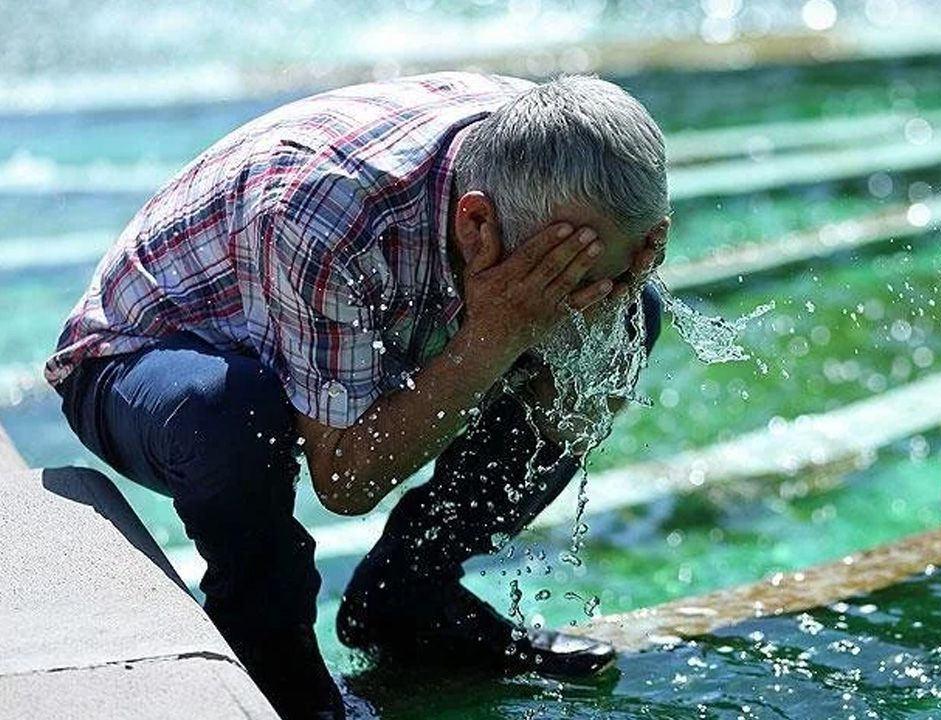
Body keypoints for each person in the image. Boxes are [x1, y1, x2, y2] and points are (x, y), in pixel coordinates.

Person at [46, 72, 670, 720]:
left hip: (360, 305)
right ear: (478, 223)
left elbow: (583, 376)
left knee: (628, 322)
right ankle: (274, 668)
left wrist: (613, 299)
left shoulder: (578, 158)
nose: (597, 291)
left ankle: (409, 599)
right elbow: (345, 480)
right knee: (230, 410)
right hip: (139, 362)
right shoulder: (323, 209)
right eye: (571, 278)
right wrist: (497, 334)